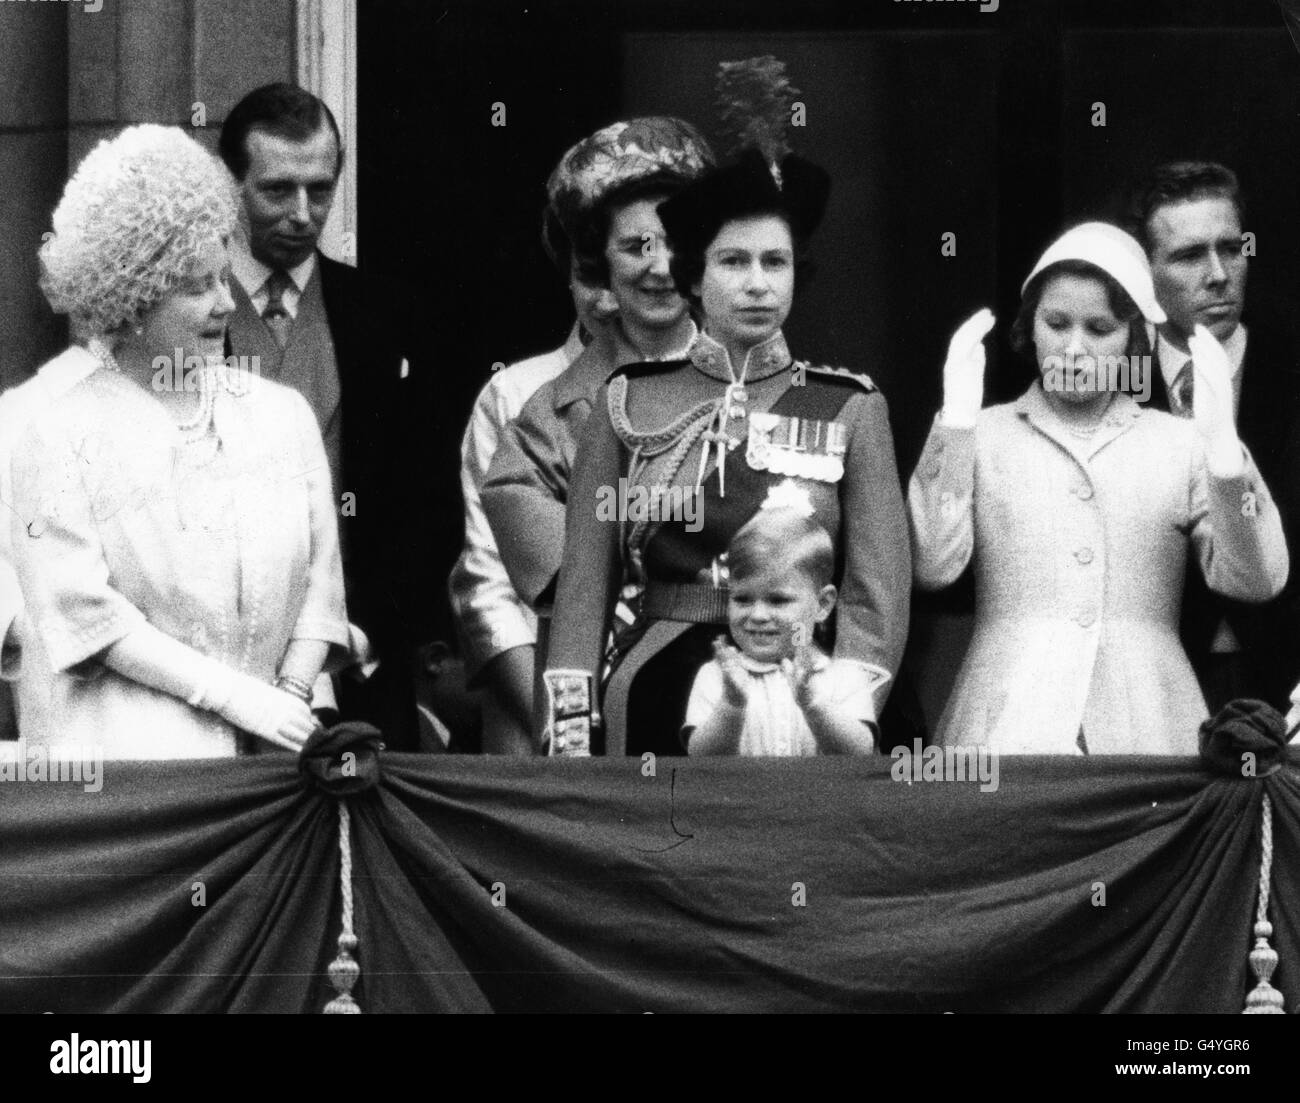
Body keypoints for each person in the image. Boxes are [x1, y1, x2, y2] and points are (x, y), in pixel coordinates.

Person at [544, 146, 911, 757]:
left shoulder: (851, 407)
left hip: (802, 697)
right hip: (657, 677)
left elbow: (876, 597)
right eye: (733, 261)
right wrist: (572, 741)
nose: (758, 283)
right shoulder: (628, 403)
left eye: (776, 262)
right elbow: (585, 590)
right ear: (693, 276)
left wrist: (844, 715)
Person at [9, 124, 349, 758]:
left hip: (278, 769)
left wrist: (291, 699)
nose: (226, 304)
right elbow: (88, 619)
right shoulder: (55, 434)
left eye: (225, 277)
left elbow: (322, 590)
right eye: (197, 286)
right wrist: (242, 701)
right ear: (130, 301)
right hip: (131, 780)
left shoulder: (281, 416)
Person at [908, 221, 1289, 754]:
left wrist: (1224, 452)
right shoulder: (986, 433)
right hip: (1007, 719)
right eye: (1056, 324)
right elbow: (932, 565)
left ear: (1134, 337)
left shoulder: (1177, 444)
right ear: (1029, 327)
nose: (1074, 348)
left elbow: (1256, 579)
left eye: (1100, 328)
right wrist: (955, 425)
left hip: (1148, 721)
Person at [219, 82, 444, 749]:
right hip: (218, 670)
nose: (301, 213)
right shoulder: (179, 318)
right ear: (229, 184)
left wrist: (366, 634)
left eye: (320, 189)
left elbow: (429, 500)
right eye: (277, 190)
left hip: (359, 673)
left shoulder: (390, 314)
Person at [479, 117, 715, 745]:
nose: (661, 267)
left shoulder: (767, 389)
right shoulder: (543, 420)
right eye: (637, 246)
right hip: (611, 703)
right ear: (598, 263)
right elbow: (573, 615)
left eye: (678, 243)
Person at [1124, 162, 1300, 714]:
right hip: (1151, 692)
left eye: (1232, 247)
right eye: (1188, 255)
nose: (1219, 273)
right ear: (1143, 271)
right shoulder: (1112, 383)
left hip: (1288, 683)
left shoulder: (1292, 369)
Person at [685, 498, 887, 756]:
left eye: (778, 600)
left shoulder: (845, 678)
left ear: (823, 604)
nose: (757, 615)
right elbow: (701, 758)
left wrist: (813, 703)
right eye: (742, 599)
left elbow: (859, 753)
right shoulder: (715, 677)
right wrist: (731, 704)